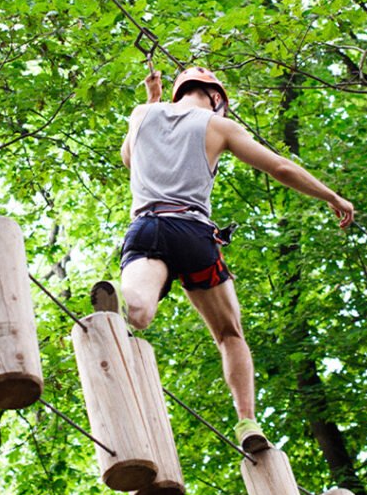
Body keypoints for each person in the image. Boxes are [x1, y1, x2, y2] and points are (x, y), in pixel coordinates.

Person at [120, 66, 354, 453]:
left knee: (138, 312)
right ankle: (247, 422)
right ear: (216, 97)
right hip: (194, 234)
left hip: (147, 228)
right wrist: (331, 196)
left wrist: (151, 100)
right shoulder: (217, 125)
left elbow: (131, 160)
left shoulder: (141, 114)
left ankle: (118, 298)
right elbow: (279, 167)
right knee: (230, 334)